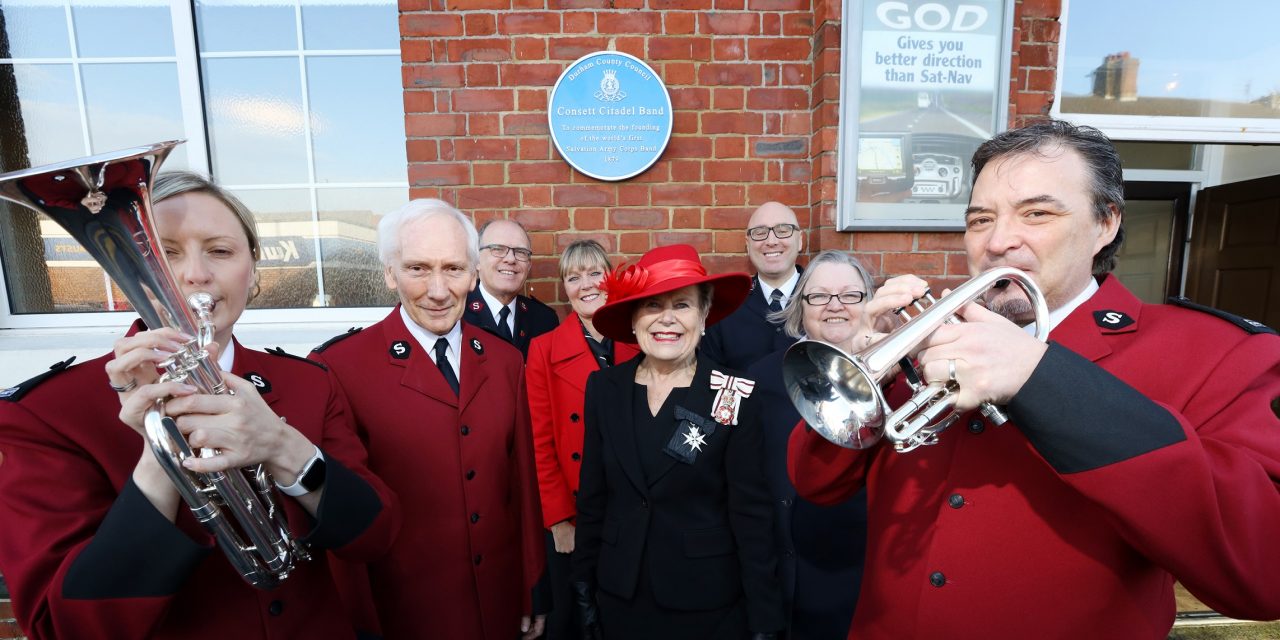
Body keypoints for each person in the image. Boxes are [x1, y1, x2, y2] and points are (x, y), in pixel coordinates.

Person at [788, 120, 1280, 638]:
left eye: (1037, 214)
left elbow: (1260, 572)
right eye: (980, 219)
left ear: (1105, 223)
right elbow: (816, 483)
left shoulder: (1215, 353)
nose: (998, 241)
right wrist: (863, 359)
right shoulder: (927, 336)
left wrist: (1039, 377)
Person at [0, 171, 399, 640]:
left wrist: (280, 443)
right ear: (123, 271)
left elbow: (374, 535)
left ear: (253, 272)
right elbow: (67, 629)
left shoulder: (308, 382)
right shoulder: (48, 412)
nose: (194, 274)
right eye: (163, 253)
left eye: (221, 250)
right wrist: (159, 456)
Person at [310, 199, 546, 640]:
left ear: (474, 275)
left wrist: (532, 588)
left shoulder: (506, 360)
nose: (438, 290)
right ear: (389, 273)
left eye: (454, 269)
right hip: (406, 612)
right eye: (418, 269)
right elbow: (343, 517)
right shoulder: (339, 368)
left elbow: (522, 486)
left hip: (497, 605)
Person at [571, 244, 784, 640]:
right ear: (634, 318)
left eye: (682, 305)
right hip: (620, 597)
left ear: (704, 316)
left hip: (706, 603)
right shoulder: (604, 388)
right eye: (652, 305)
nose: (666, 319)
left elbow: (752, 516)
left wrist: (765, 621)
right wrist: (583, 588)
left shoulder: (732, 394)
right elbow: (593, 499)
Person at [746, 250, 872, 640]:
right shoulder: (762, 376)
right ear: (801, 307)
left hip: (857, 575)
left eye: (850, 295)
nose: (834, 306)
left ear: (870, 302)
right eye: (819, 296)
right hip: (778, 575)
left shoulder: (901, 377)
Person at [526, 240, 640, 639]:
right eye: (574, 277)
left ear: (611, 278)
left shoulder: (640, 340)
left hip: (632, 509)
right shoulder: (543, 350)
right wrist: (558, 519)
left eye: (595, 273)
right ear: (564, 288)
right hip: (575, 513)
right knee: (575, 621)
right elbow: (540, 441)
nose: (586, 285)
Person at [702, 202, 805, 370]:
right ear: (747, 244)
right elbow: (709, 380)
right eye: (760, 233)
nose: (771, 241)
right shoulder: (724, 309)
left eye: (783, 230)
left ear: (800, 240)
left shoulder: (824, 299)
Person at [464, 219, 559, 359]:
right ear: (477, 260)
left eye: (520, 252)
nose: (510, 259)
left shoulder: (544, 320)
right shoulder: (457, 314)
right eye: (498, 249)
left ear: (529, 265)